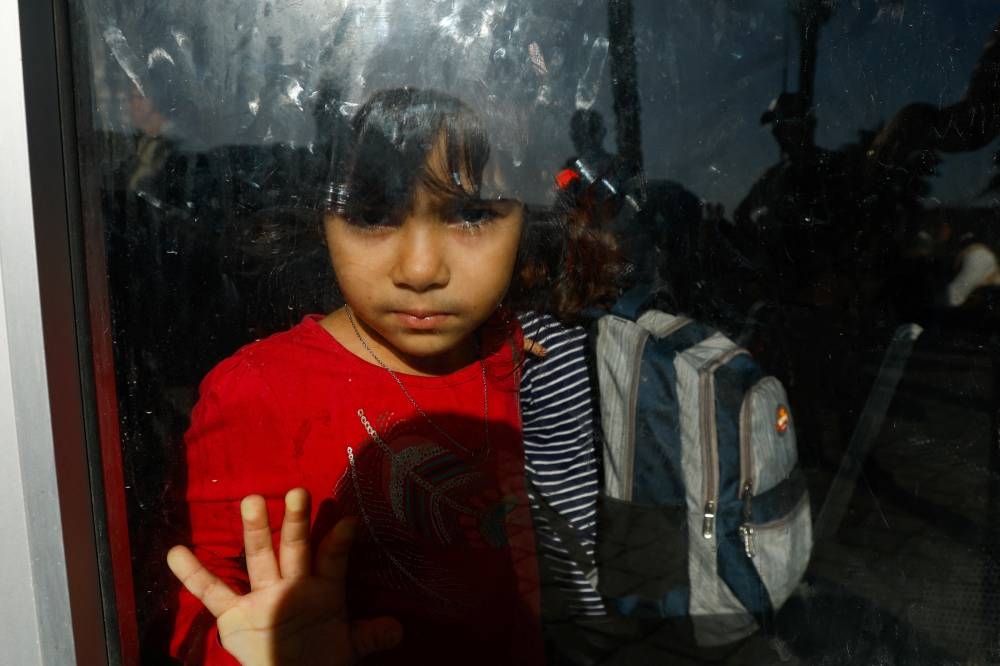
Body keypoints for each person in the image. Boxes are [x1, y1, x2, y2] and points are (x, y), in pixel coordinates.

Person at [167, 87, 546, 666]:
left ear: (524, 218)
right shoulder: (259, 393)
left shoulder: (502, 347)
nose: (421, 270)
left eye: (471, 214)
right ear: (322, 219)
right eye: (372, 215)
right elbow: (210, 602)